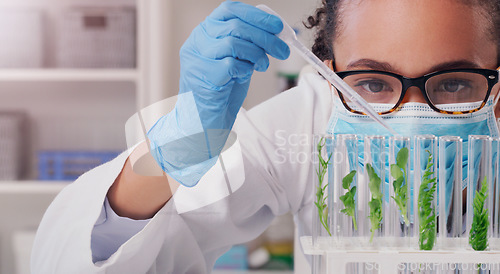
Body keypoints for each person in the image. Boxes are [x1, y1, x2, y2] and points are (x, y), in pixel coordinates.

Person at [31, 0, 500, 273]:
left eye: (453, 83)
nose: (409, 114)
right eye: (373, 83)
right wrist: (181, 144)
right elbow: (92, 259)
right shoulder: (311, 121)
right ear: (329, 73)